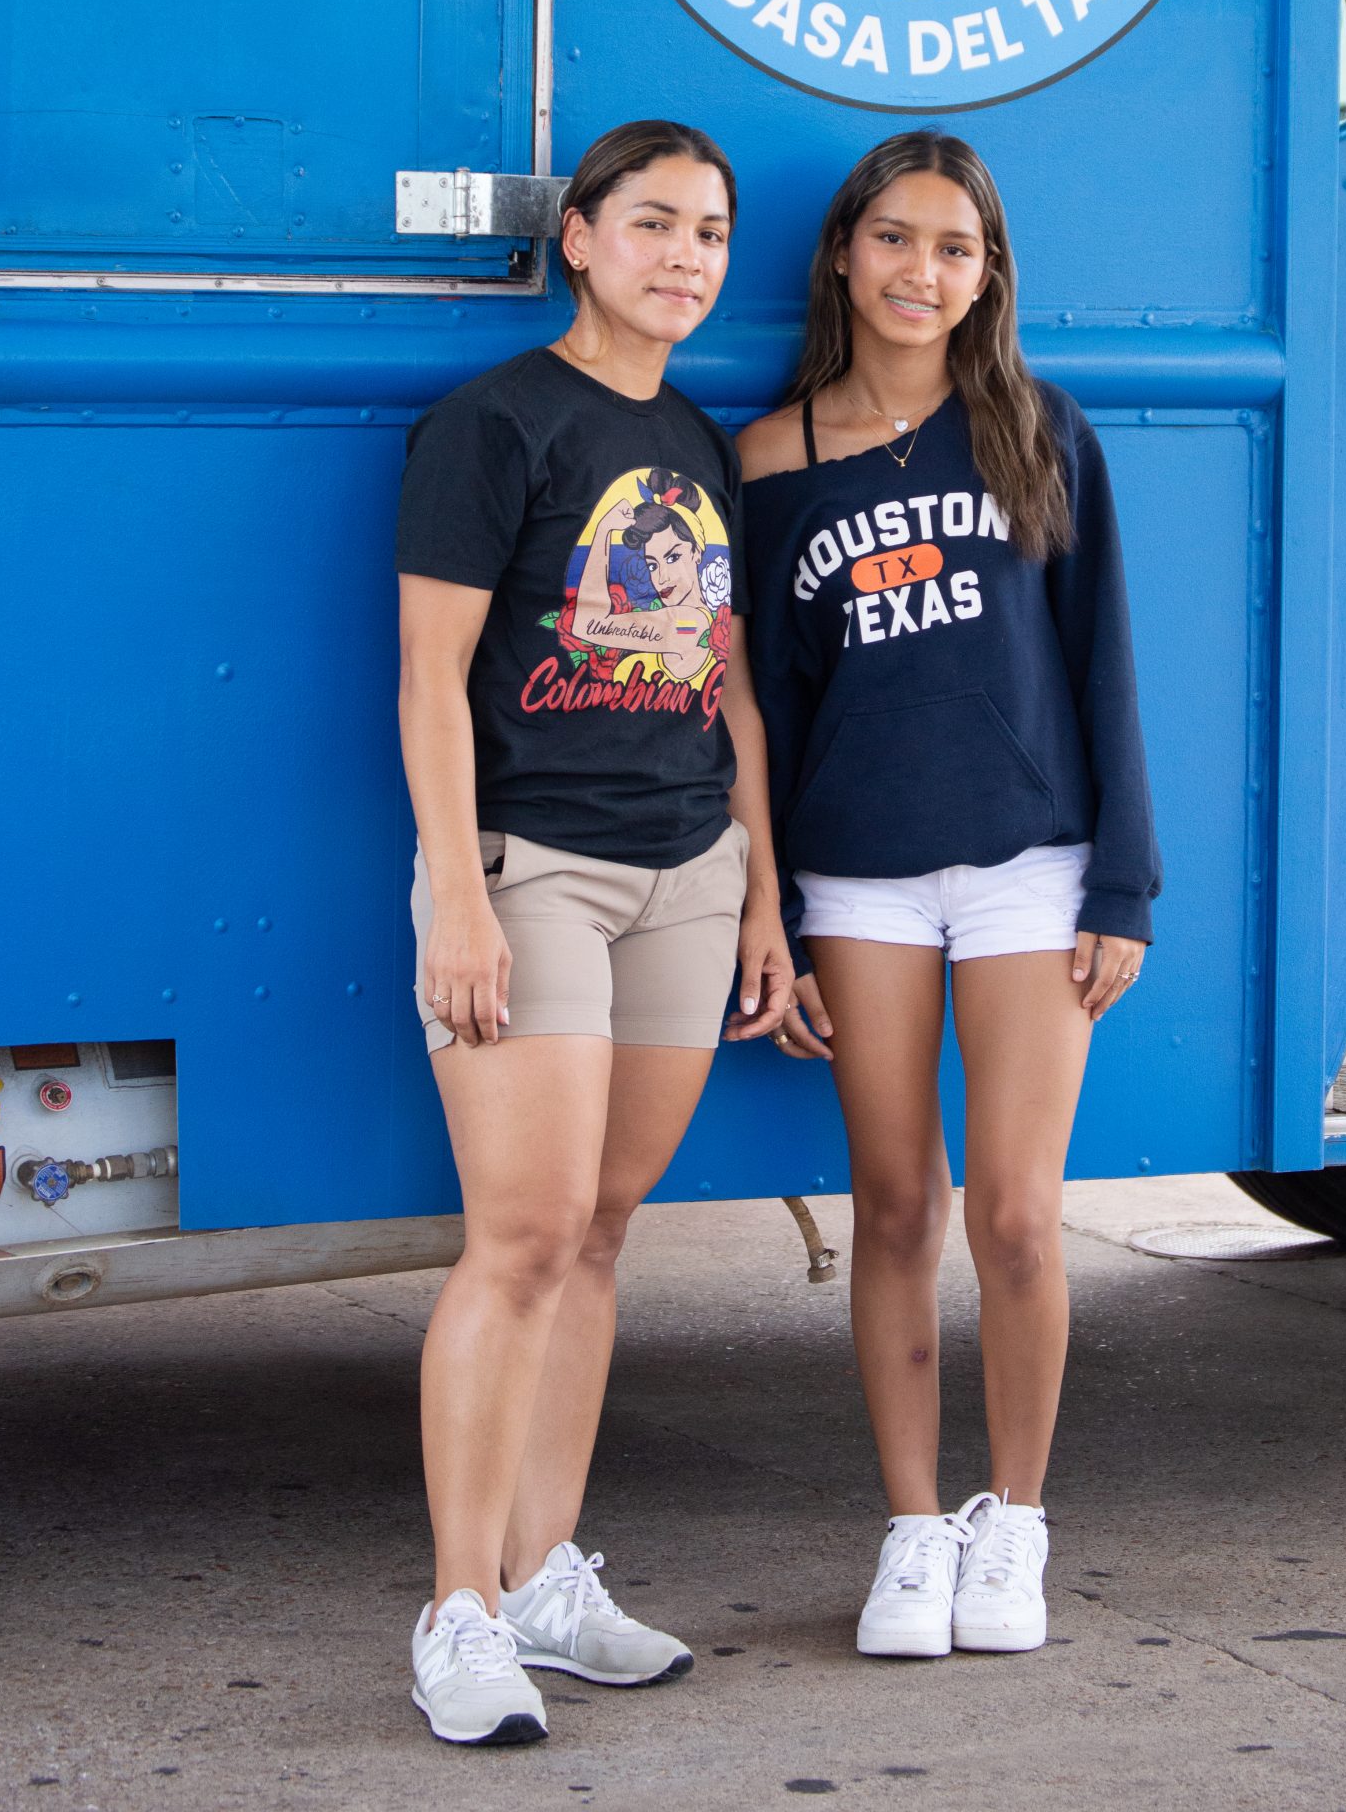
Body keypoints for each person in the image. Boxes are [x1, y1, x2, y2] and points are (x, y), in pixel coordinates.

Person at [396, 119, 791, 1744]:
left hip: (688, 873)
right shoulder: (492, 425)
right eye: (651, 225)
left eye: (707, 233)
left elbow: (731, 686)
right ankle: (460, 1610)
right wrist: (461, 895)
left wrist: (764, 890)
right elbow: (431, 683)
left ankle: (549, 1572)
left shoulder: (700, 443)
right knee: (525, 1235)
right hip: (534, 868)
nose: (683, 258)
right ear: (580, 238)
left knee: (609, 1231)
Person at [740, 130, 1159, 1661]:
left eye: (957, 249)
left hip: (1031, 876)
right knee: (898, 1208)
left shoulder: (1037, 430)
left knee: (1020, 1217)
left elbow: (1102, 659)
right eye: (899, 239)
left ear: (989, 276)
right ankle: (915, 1532)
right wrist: (769, 914)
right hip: (855, 879)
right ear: (846, 252)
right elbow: (758, 714)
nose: (925, 272)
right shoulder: (769, 460)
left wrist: (1126, 880)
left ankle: (1017, 1525)